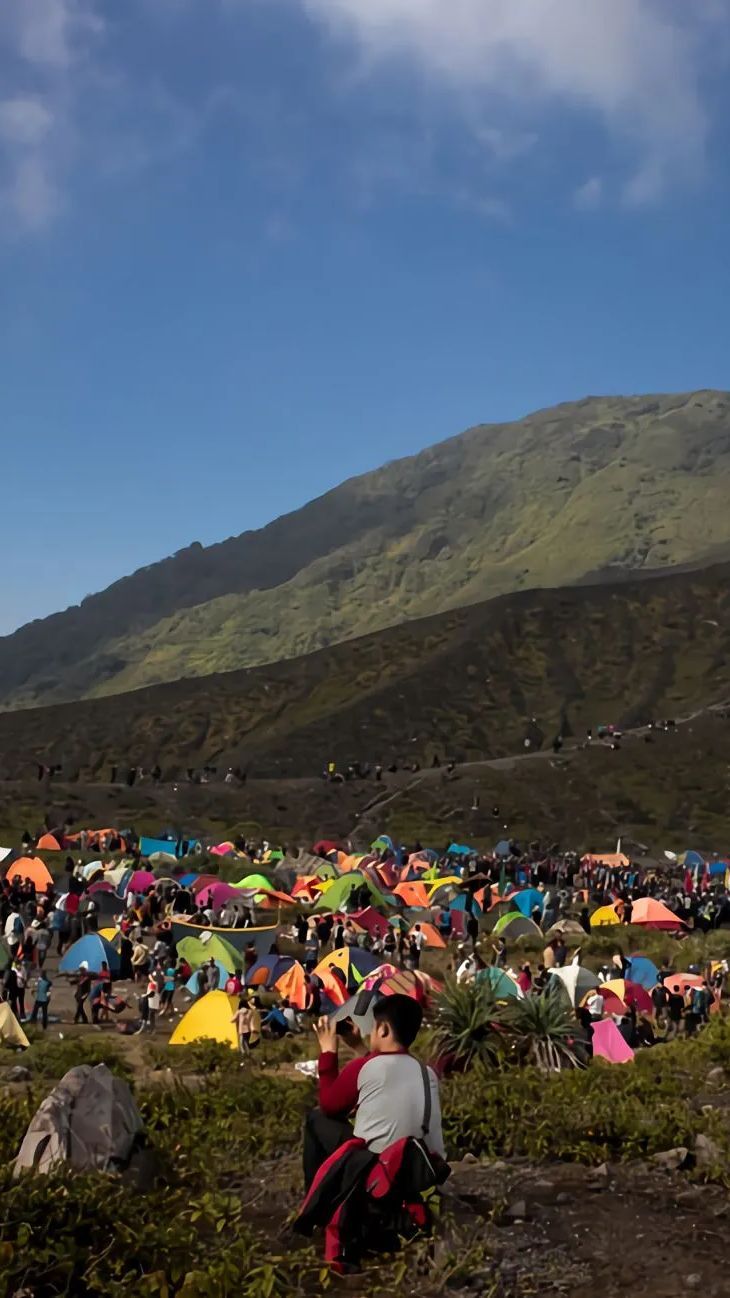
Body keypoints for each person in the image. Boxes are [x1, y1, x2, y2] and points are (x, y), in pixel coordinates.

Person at [303, 994, 445, 1191]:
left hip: (377, 1173)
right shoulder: (427, 1072)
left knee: (316, 1118)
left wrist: (328, 1051)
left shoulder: (363, 1067)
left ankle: (317, 1200)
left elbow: (329, 1106)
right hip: (421, 1170)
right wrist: (359, 1046)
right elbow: (385, 1073)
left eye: (374, 1027)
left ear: (384, 1029)